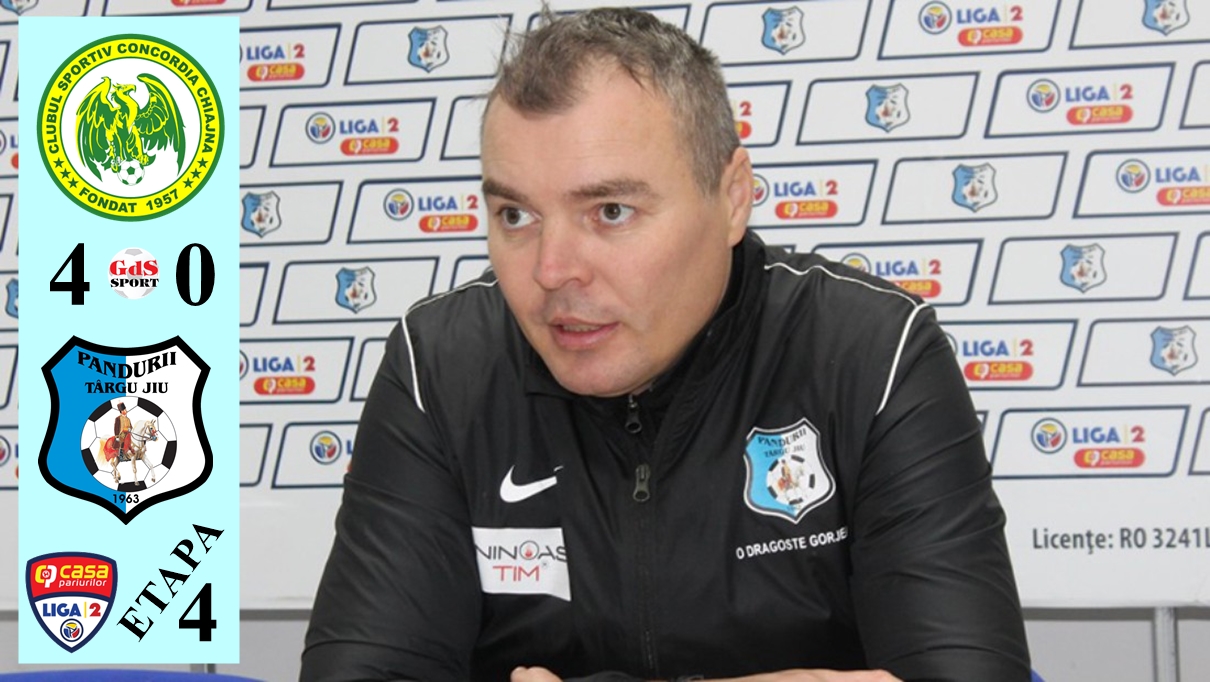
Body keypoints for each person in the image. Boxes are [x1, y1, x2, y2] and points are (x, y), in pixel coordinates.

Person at [302, 7, 1030, 681]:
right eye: (516, 215)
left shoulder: (873, 355)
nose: (552, 271)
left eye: (610, 211)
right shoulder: (439, 368)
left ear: (733, 198)